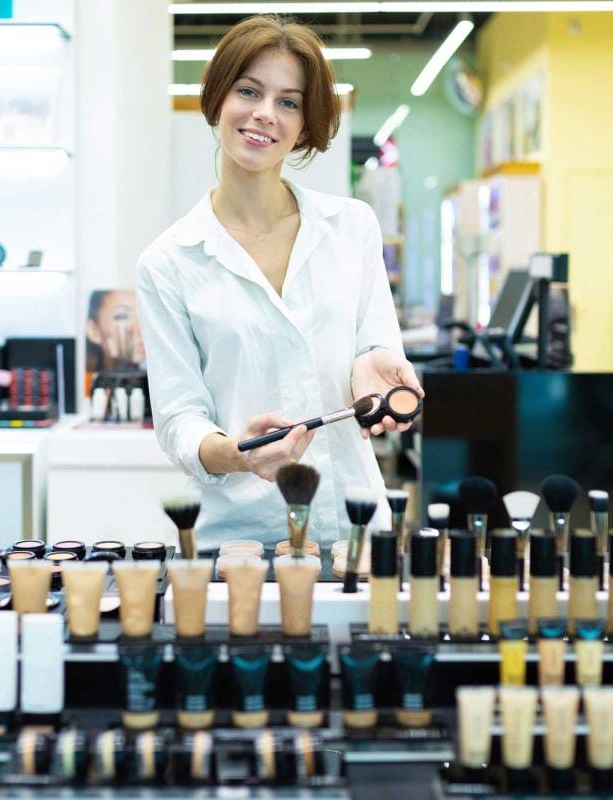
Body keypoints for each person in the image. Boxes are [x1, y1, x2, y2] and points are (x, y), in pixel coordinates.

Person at [135, 15, 422, 544]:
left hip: (356, 525)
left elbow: (375, 343)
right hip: (242, 537)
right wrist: (236, 454)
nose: (265, 114)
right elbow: (179, 420)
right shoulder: (168, 262)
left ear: (305, 123)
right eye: (249, 91)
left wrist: (376, 366)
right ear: (218, 98)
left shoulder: (351, 228)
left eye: (288, 102)